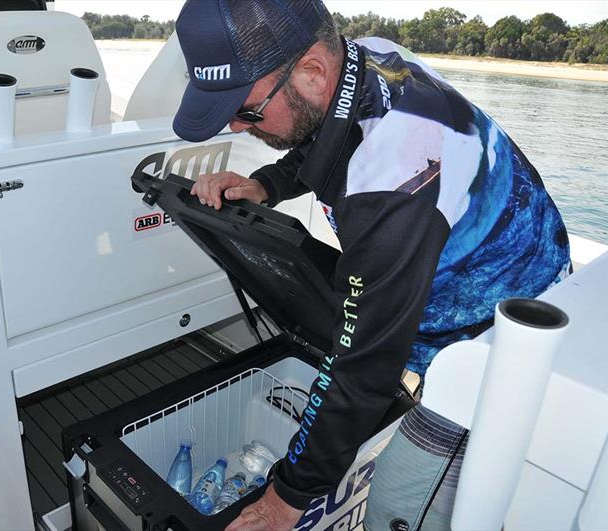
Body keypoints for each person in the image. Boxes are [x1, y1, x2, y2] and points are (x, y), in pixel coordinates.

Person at [170, 1, 571, 530]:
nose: (239, 129)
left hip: (497, 336)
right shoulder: (372, 57)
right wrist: (269, 183)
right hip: (450, 269)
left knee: (398, 503)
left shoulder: (397, 186)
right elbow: (328, 135)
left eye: (246, 112)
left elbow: (364, 367)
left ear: (311, 70)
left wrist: (287, 497)